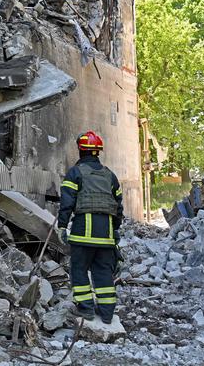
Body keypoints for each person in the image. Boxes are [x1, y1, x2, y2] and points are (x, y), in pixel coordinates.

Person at [58, 131, 124, 324]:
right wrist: (115, 230)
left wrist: (62, 226)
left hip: (83, 234)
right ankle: (107, 313)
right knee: (103, 272)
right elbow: (118, 206)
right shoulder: (110, 176)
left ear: (81, 150)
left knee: (79, 270)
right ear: (98, 152)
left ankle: (86, 309)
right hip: (106, 236)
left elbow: (67, 202)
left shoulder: (75, 173)